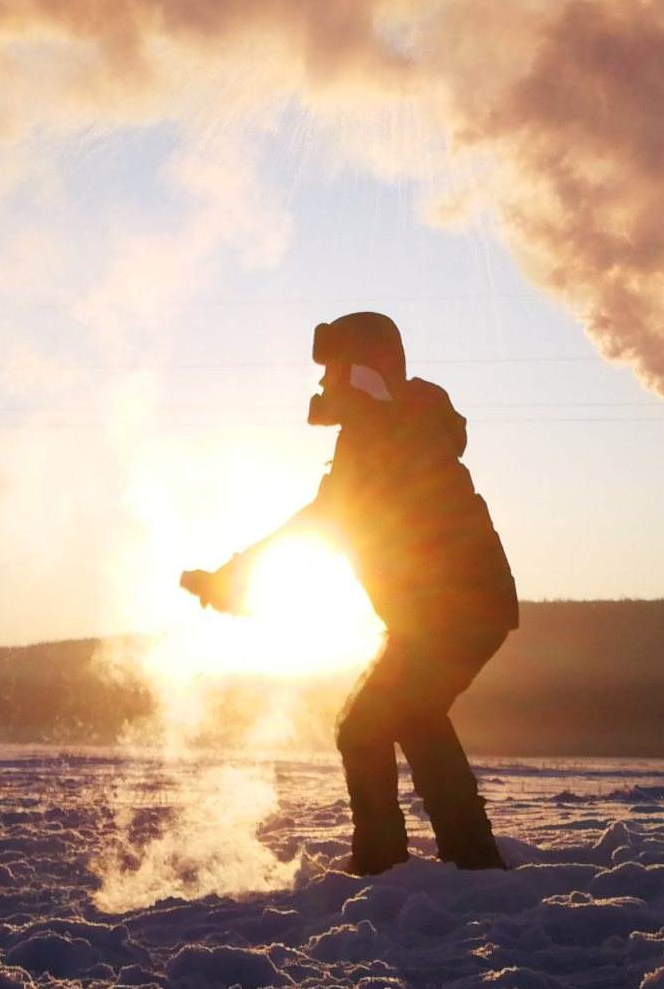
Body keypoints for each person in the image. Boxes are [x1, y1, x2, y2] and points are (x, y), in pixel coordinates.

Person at [181, 311, 520, 875]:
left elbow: (324, 520)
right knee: (412, 716)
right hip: (446, 615)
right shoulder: (385, 427)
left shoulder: (388, 431)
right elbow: (332, 520)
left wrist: (234, 578)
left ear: (361, 370)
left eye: (332, 369)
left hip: (452, 614)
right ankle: (466, 859)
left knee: (368, 724)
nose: (321, 384)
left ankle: (392, 864)